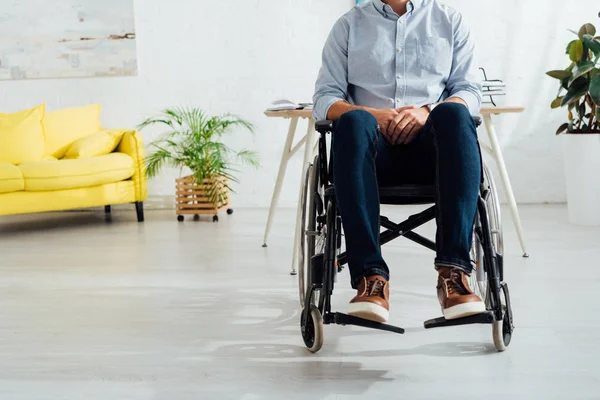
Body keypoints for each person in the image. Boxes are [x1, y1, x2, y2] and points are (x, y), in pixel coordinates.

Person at [312, 0, 485, 323]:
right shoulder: (349, 26)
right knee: (352, 121)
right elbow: (324, 98)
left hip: (433, 153)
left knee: (455, 112)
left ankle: (454, 273)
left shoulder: (450, 21)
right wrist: (371, 115)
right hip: (369, 156)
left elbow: (469, 91)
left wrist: (426, 112)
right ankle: (370, 278)